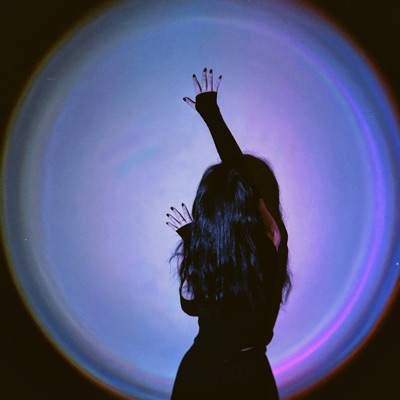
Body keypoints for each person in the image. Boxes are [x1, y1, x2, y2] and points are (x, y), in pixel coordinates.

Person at [166, 68, 291, 399]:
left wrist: (193, 240)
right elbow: (194, 305)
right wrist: (211, 113)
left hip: (204, 371)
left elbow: (191, 306)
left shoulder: (256, 245)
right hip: (236, 372)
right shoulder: (269, 242)